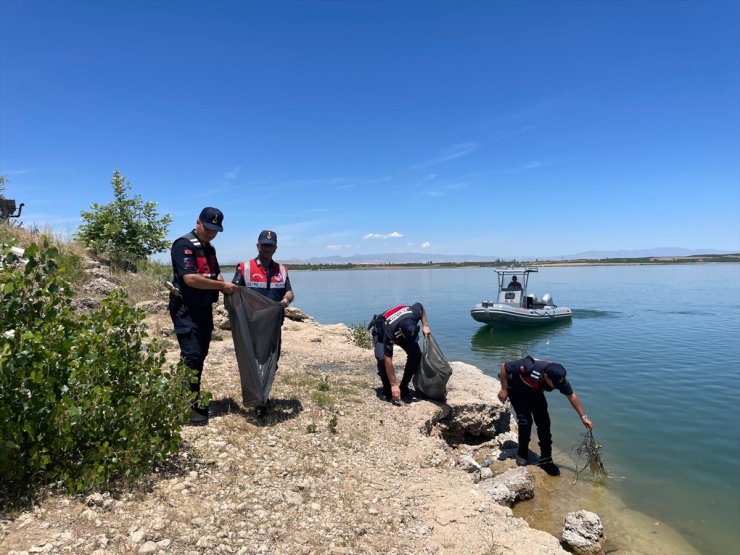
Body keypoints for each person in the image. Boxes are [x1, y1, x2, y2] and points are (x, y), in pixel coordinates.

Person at [170, 207, 238, 426]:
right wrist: (221, 285)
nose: (211, 233)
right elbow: (190, 279)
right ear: (198, 222)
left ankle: (189, 398)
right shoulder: (184, 245)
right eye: (208, 228)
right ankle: (185, 407)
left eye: (215, 230)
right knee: (191, 356)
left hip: (203, 309)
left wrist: (227, 287)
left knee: (200, 355)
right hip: (186, 309)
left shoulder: (210, 248)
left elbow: (215, 273)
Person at [497, 356, 593, 476]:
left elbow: (571, 396)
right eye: (554, 385)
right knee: (525, 422)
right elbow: (504, 367)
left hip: (534, 391)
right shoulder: (529, 367)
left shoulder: (559, 378)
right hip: (517, 389)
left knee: (544, 423)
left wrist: (583, 417)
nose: (556, 387)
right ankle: (522, 453)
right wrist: (504, 389)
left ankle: (546, 460)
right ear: (546, 376)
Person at [232, 230, 293, 417]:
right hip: (251, 325)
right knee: (253, 361)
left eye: (270, 245)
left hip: (274, 326)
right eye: (263, 245)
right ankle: (258, 400)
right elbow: (233, 291)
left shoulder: (282, 270)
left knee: (271, 362)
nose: (267, 248)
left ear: (275, 247)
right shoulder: (244, 268)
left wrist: (286, 300)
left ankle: (262, 396)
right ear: (257, 246)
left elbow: (289, 292)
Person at [370, 303, 431, 403]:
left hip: (402, 331)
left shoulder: (415, 313)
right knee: (381, 358)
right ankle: (387, 388)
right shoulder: (390, 329)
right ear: (401, 333)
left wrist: (425, 325)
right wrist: (393, 384)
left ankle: (404, 387)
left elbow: (420, 306)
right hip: (381, 332)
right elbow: (387, 359)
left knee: (416, 355)